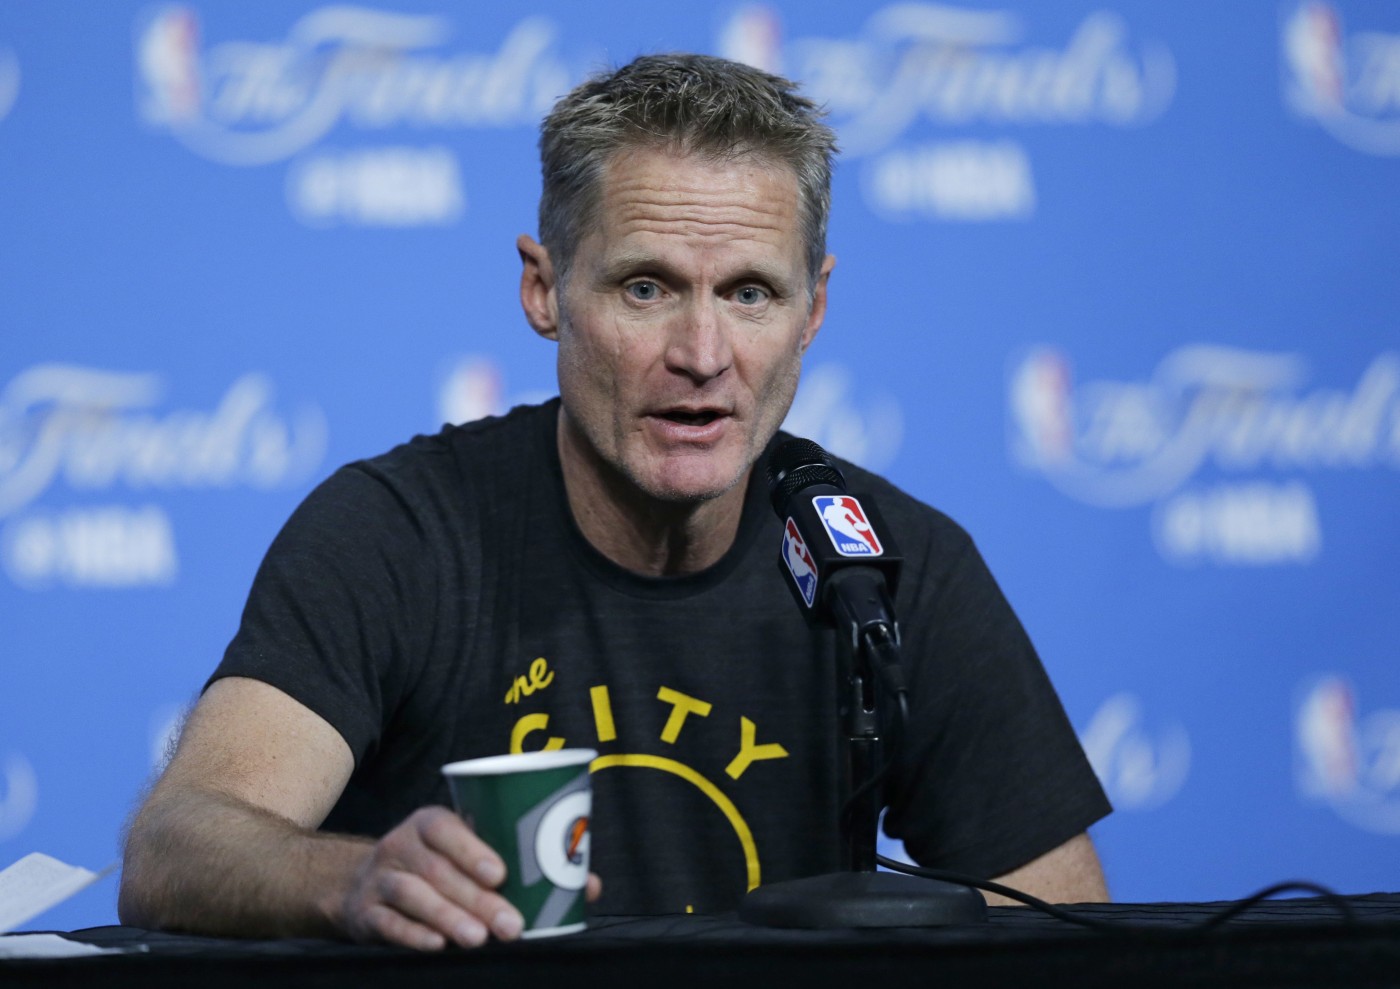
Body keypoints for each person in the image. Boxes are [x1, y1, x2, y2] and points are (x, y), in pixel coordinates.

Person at [119, 53, 1110, 951]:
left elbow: (1067, 929)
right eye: (645, 288)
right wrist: (352, 873)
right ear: (544, 289)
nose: (702, 354)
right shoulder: (397, 531)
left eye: (751, 294)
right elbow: (178, 840)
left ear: (814, 307)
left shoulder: (884, 563)